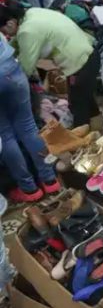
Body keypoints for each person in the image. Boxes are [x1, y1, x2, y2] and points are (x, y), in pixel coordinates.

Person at [0, 2, 98, 126]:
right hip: (87, 51)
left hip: (79, 61)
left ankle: (85, 139)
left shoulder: (27, 31)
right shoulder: (31, 12)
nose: (6, 35)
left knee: (78, 104)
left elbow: (26, 68)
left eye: (4, 31)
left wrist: (9, 83)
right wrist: (6, 55)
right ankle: (97, 135)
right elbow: (16, 42)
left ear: (10, 23)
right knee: (86, 100)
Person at [0, 36, 60, 203]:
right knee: (29, 127)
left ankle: (29, 189)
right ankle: (50, 180)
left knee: (5, 136)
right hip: (10, 68)